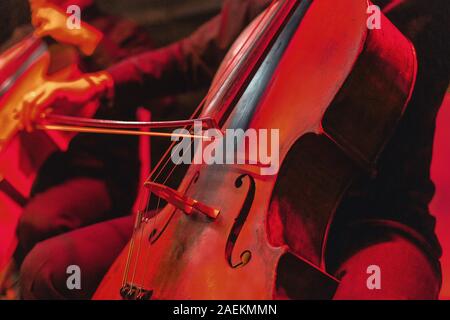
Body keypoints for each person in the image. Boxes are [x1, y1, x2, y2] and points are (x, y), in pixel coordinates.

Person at [17, 0, 450, 299]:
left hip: (366, 224)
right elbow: (190, 54)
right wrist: (100, 83)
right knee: (49, 270)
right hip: (227, 207)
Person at [1, 0, 153, 296]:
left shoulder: (121, 33)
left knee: (40, 221)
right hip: (31, 171)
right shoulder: (30, 38)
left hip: (97, 174)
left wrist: (87, 41)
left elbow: (154, 94)